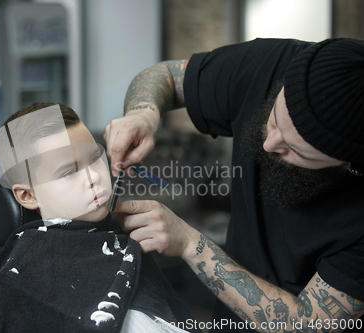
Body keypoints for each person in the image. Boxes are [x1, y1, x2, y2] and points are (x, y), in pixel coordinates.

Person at [104, 38, 364, 332]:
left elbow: (306, 325)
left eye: (296, 151)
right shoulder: (273, 63)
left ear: (349, 164)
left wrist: (191, 244)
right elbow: (164, 76)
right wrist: (143, 114)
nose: (268, 143)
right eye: (275, 120)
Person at [0, 103, 200, 333]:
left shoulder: (123, 236)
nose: (94, 177)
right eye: (68, 172)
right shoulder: (5, 287)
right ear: (27, 195)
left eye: (94, 158)